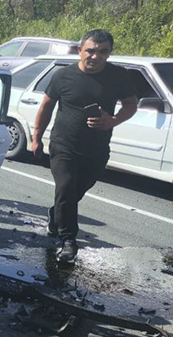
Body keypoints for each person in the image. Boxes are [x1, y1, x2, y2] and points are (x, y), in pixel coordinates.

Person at [31, 29, 137, 263]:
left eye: (102, 52)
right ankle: (68, 241)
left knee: (76, 192)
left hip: (97, 149)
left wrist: (113, 121)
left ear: (109, 53)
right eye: (90, 51)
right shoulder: (63, 76)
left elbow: (131, 105)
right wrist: (36, 137)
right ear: (80, 50)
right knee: (66, 187)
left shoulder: (118, 76)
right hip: (64, 145)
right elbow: (46, 106)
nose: (95, 56)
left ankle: (56, 215)